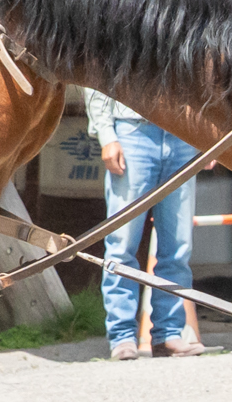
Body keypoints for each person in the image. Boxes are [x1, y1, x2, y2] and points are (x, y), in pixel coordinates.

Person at [85, 88, 203, 361]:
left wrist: (205, 133)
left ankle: (169, 333)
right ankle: (122, 336)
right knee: (122, 242)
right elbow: (98, 69)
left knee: (178, 245)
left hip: (183, 129)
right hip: (131, 128)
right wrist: (106, 134)